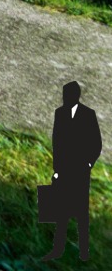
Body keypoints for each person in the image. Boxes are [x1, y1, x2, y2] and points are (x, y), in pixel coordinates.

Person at [47, 81, 101, 262]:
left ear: (76, 96)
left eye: (68, 94)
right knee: (61, 210)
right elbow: (57, 142)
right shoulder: (60, 113)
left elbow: (96, 143)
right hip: (64, 169)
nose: (65, 98)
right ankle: (57, 249)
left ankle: (84, 252)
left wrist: (88, 164)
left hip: (80, 169)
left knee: (81, 212)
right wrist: (56, 169)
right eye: (64, 94)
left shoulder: (88, 114)